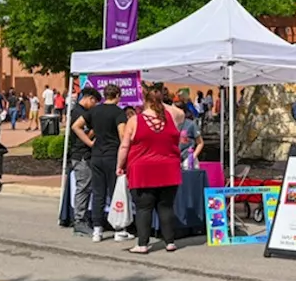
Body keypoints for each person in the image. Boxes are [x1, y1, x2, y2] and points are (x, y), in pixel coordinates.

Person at [118, 88, 185, 254]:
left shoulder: (135, 120)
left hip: (142, 169)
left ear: (144, 100)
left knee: (143, 208)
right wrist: (162, 103)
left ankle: (142, 243)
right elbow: (181, 112)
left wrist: (120, 165)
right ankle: (170, 241)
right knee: (166, 206)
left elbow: (125, 145)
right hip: (169, 167)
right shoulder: (172, 117)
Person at [82, 84, 132, 243]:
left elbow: (76, 126)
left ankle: (97, 229)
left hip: (96, 155)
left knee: (98, 193)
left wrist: (89, 142)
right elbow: (123, 134)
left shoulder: (94, 111)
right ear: (117, 95)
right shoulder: (119, 113)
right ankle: (119, 229)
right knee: (115, 192)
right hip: (112, 155)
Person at [67, 87, 101, 235]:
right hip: (80, 155)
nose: (94, 106)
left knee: (86, 187)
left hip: (84, 154)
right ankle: (79, 220)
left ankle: (82, 218)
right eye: (94, 102)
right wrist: (91, 140)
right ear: (90, 99)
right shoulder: (79, 113)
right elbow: (81, 131)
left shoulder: (81, 112)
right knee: (83, 187)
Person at [174, 95, 204, 167]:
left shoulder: (190, 124)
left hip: (188, 159)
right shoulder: (170, 124)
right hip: (174, 159)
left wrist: (193, 156)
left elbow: (200, 143)